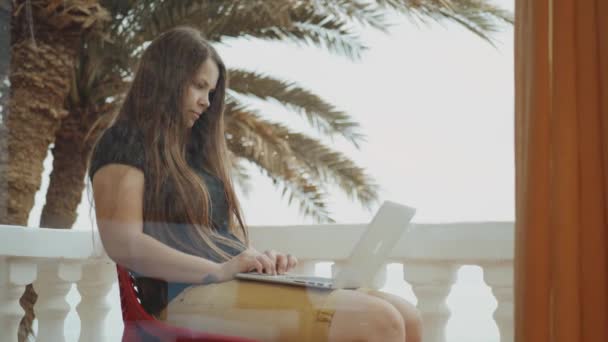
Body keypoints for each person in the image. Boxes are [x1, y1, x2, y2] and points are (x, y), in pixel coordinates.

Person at [88, 26, 422, 342]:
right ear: (165, 79)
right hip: (181, 297)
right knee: (379, 321)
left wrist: (256, 259)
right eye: (198, 85)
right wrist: (218, 270)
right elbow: (123, 242)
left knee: (408, 317)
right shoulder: (124, 142)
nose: (206, 101)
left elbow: (215, 237)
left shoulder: (193, 157)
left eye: (211, 91)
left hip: (226, 286)